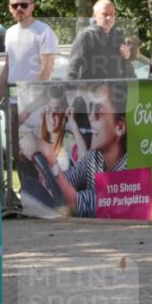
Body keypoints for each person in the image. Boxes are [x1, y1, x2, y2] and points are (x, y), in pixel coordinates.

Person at [34, 83, 128, 218]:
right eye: (90, 110)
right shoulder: (94, 156)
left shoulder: (129, 168)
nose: (90, 117)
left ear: (119, 127)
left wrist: (47, 157)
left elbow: (78, 202)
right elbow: (70, 178)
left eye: (99, 112)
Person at [0, 0, 58, 96]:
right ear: (9, 8)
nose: (19, 8)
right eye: (15, 6)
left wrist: (32, 101)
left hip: (35, 102)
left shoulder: (44, 31)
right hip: (12, 98)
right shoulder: (9, 32)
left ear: (32, 7)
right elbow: (8, 66)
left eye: (24, 5)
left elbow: (47, 70)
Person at [67, 0, 136, 80]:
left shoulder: (118, 36)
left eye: (112, 14)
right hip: (91, 90)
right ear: (95, 16)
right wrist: (72, 90)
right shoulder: (86, 35)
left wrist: (127, 57)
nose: (109, 18)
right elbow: (72, 69)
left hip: (115, 90)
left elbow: (126, 69)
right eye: (105, 14)